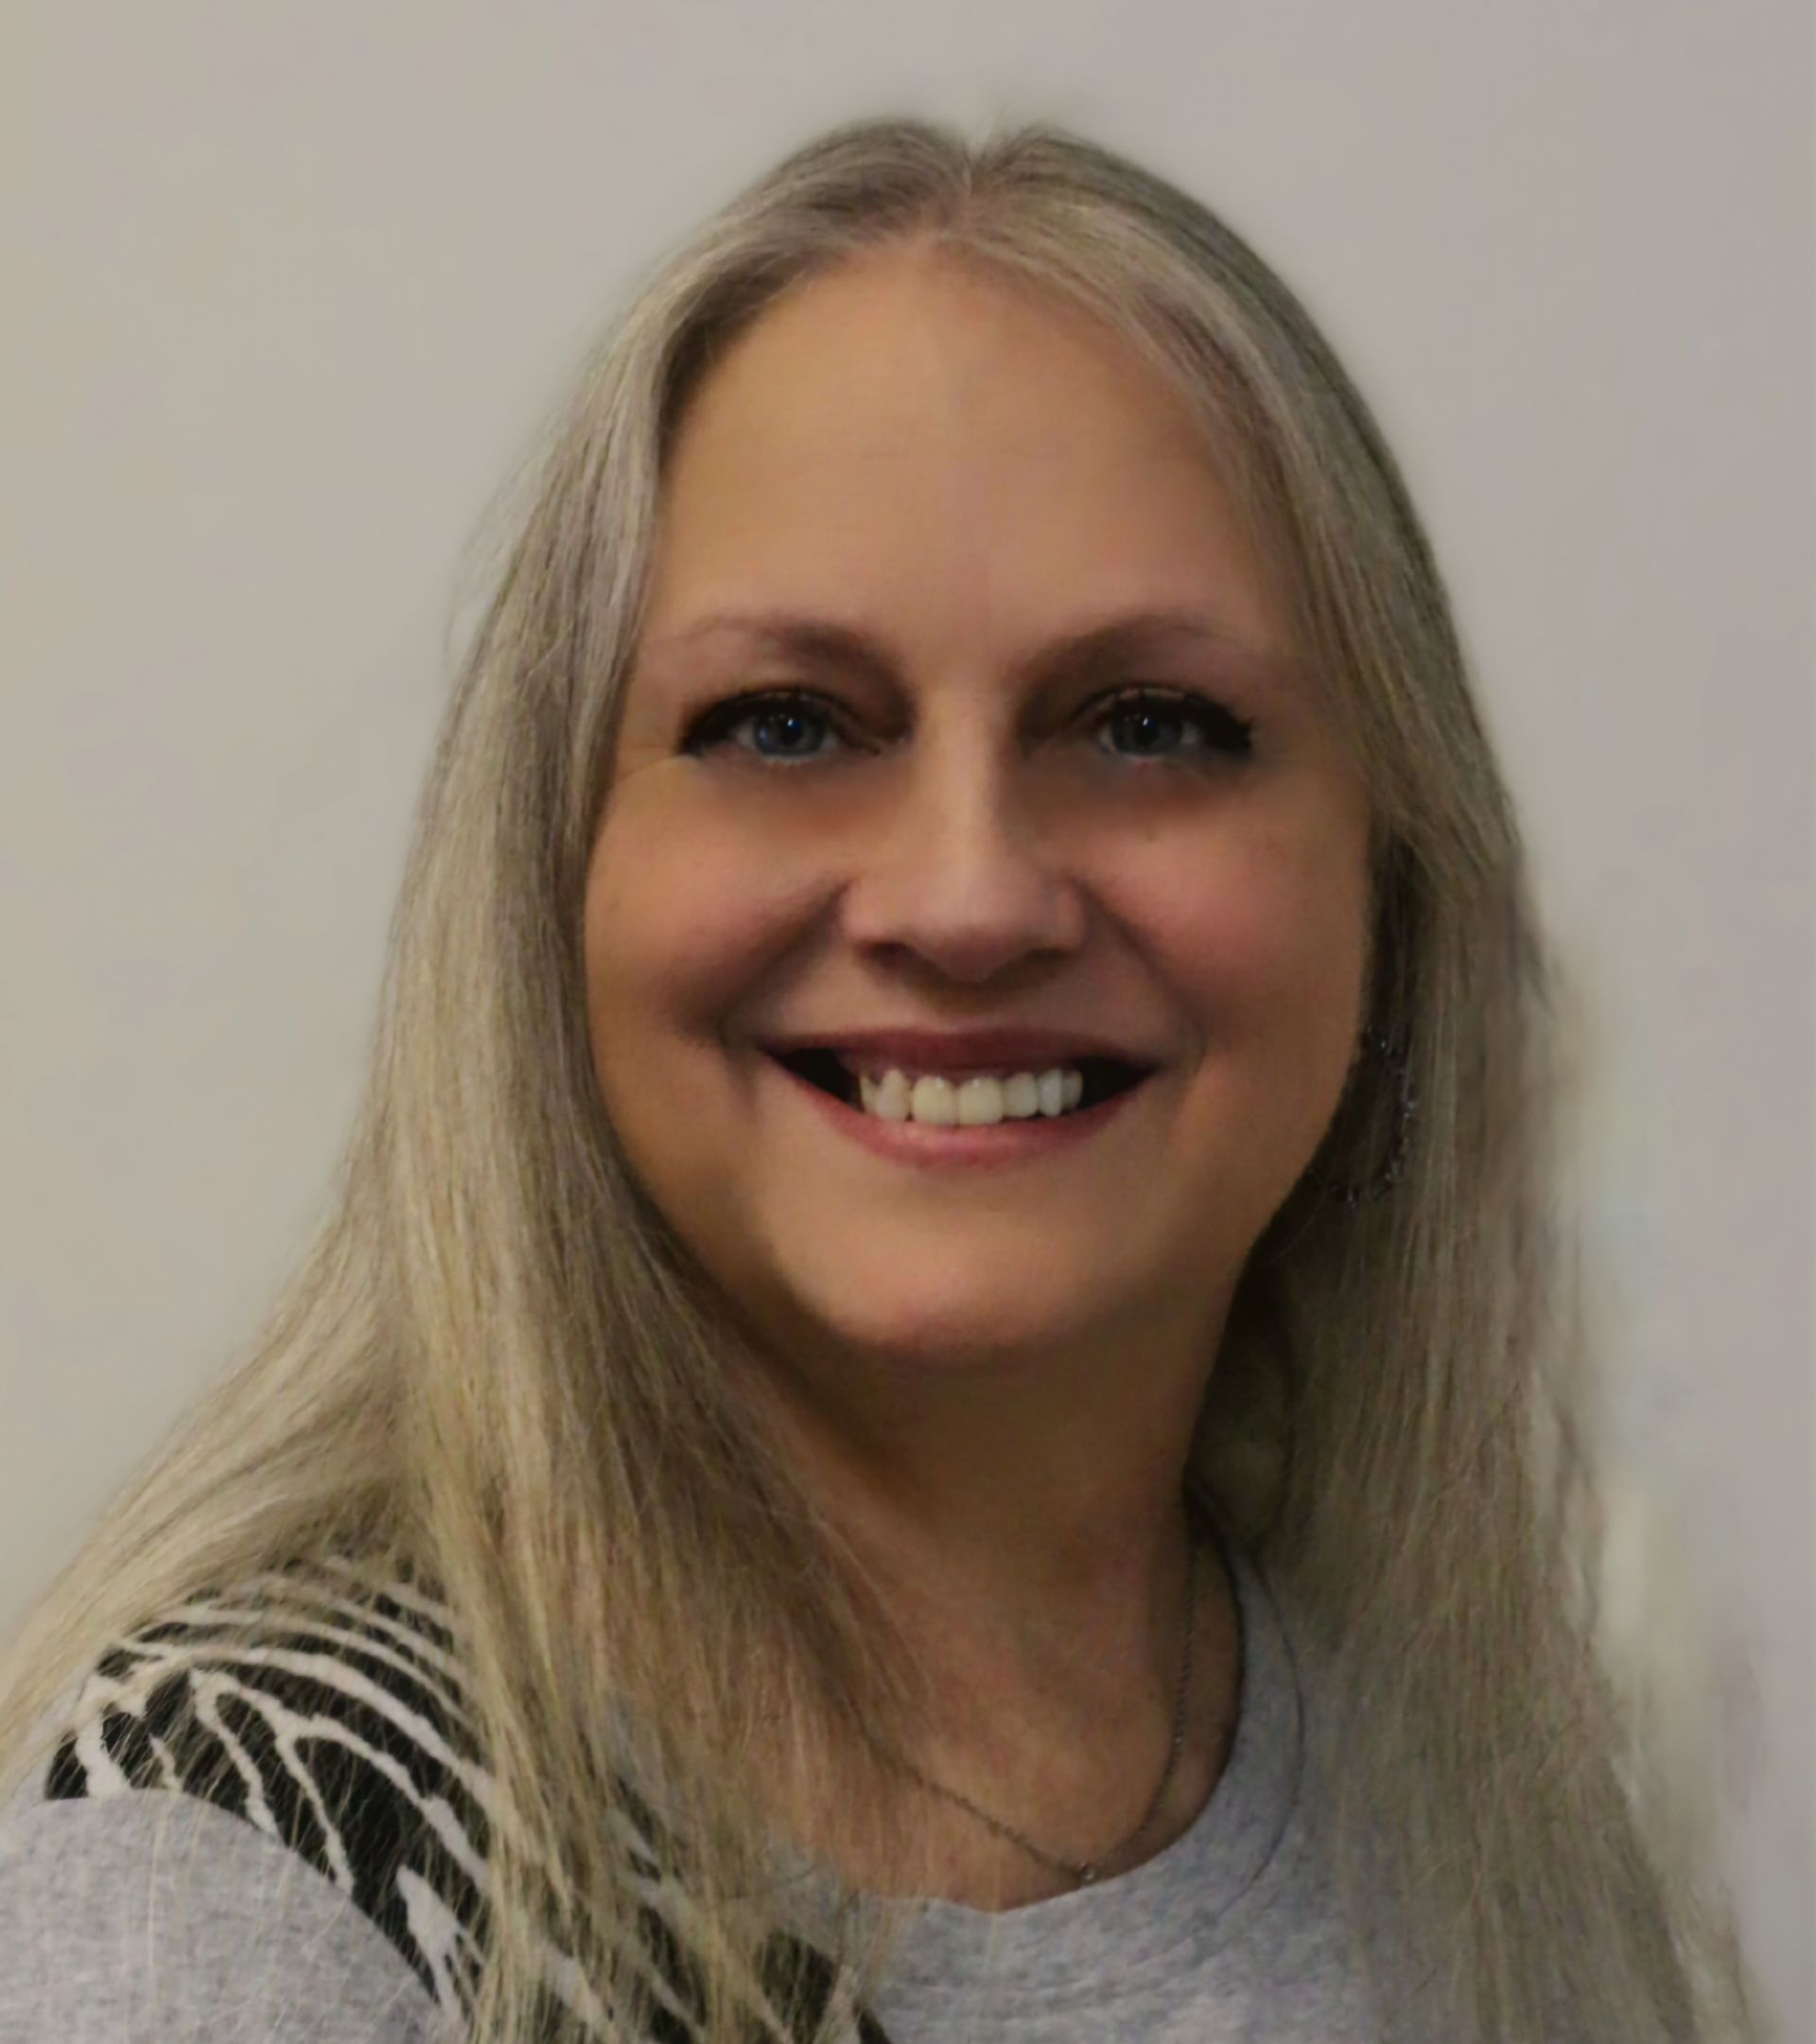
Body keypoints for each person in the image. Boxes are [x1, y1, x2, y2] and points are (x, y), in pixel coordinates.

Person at [0, 114, 1762, 2044]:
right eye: (785, 722)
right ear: (556, 876)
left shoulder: (1485, 1821)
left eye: (1153, 722)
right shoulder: (251, 1874)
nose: (969, 893)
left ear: (1391, 880)